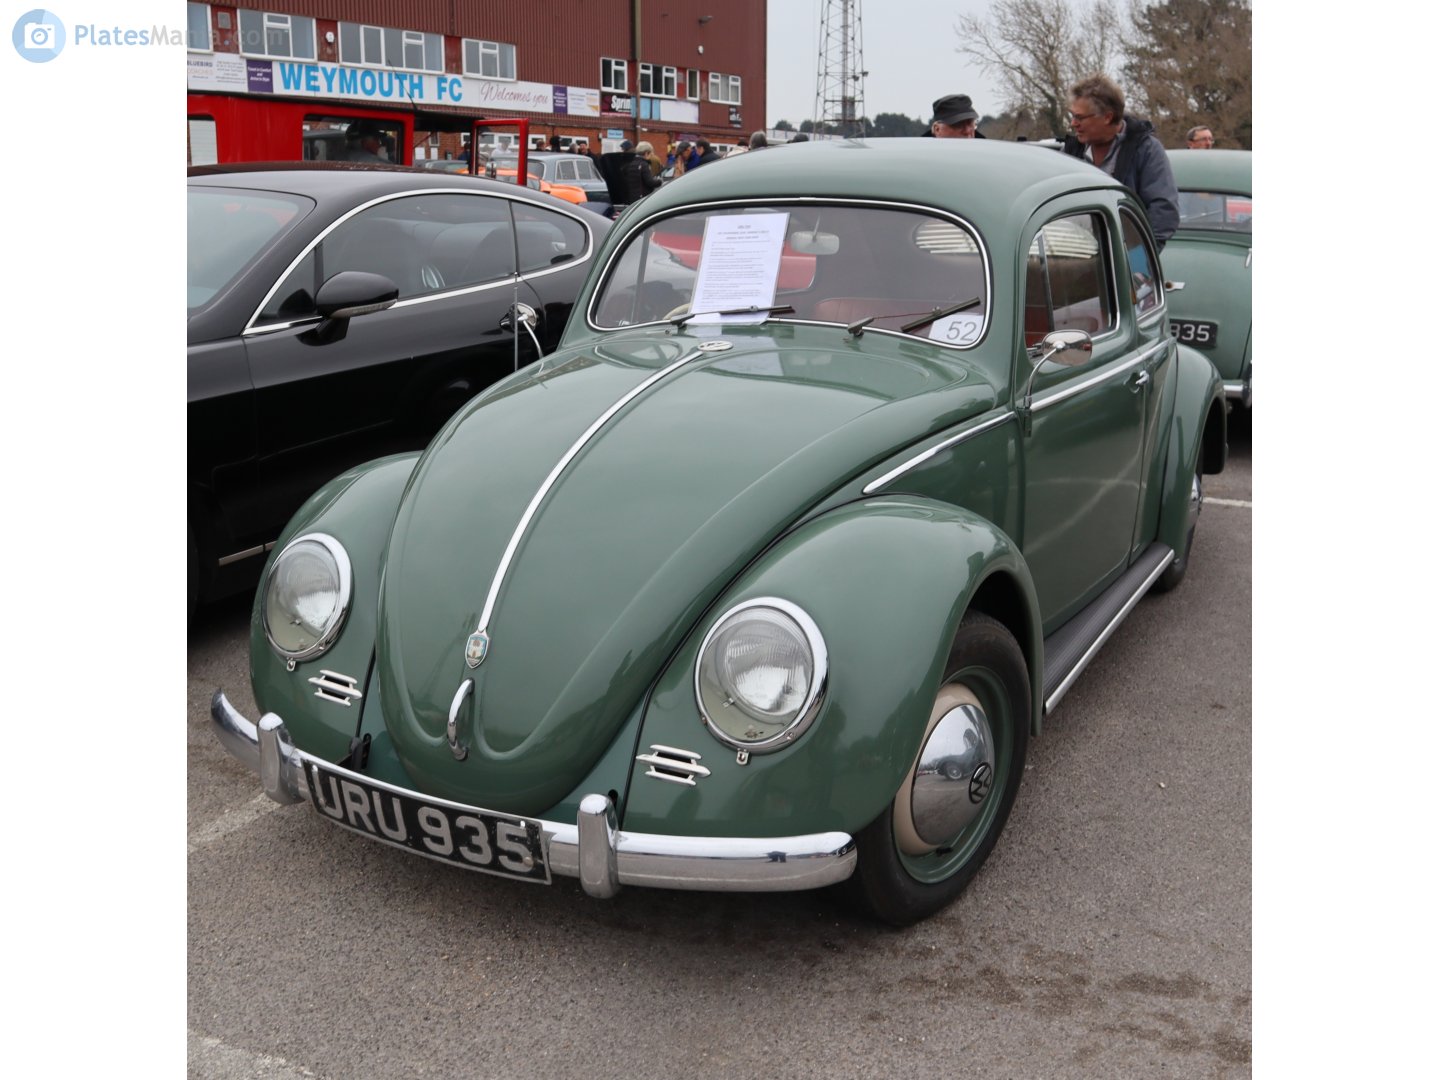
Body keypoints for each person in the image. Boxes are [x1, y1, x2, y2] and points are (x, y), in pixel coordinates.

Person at [1061, 74, 1179, 247]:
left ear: (1107, 117)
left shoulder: (1146, 150)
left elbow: (1163, 211)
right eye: (1072, 116)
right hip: (1073, 253)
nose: (1073, 123)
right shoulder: (1070, 152)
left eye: (1080, 118)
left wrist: (1136, 257)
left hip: (1125, 258)